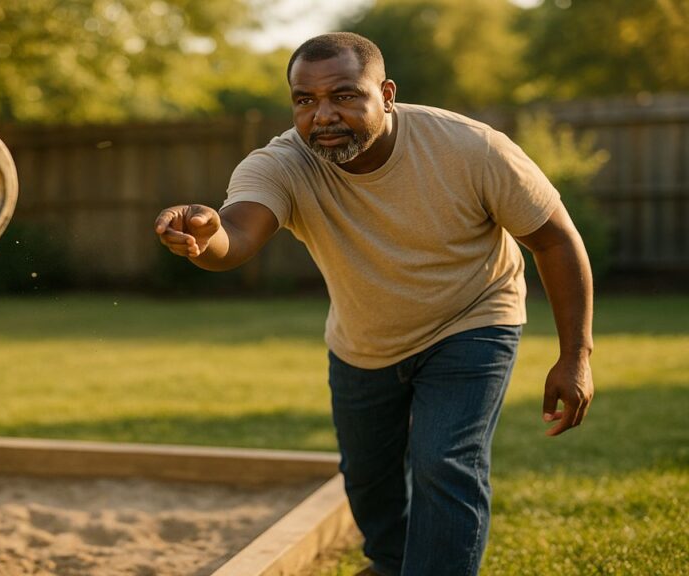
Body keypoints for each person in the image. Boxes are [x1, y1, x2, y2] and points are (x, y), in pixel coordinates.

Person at [153, 32, 594, 576]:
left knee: (445, 462)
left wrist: (575, 355)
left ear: (386, 94)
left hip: (473, 315)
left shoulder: (470, 148)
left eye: (344, 95)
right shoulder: (282, 164)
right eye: (305, 100)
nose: (324, 116)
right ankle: (391, 564)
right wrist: (205, 234)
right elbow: (236, 237)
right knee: (368, 476)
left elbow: (555, 239)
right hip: (365, 339)